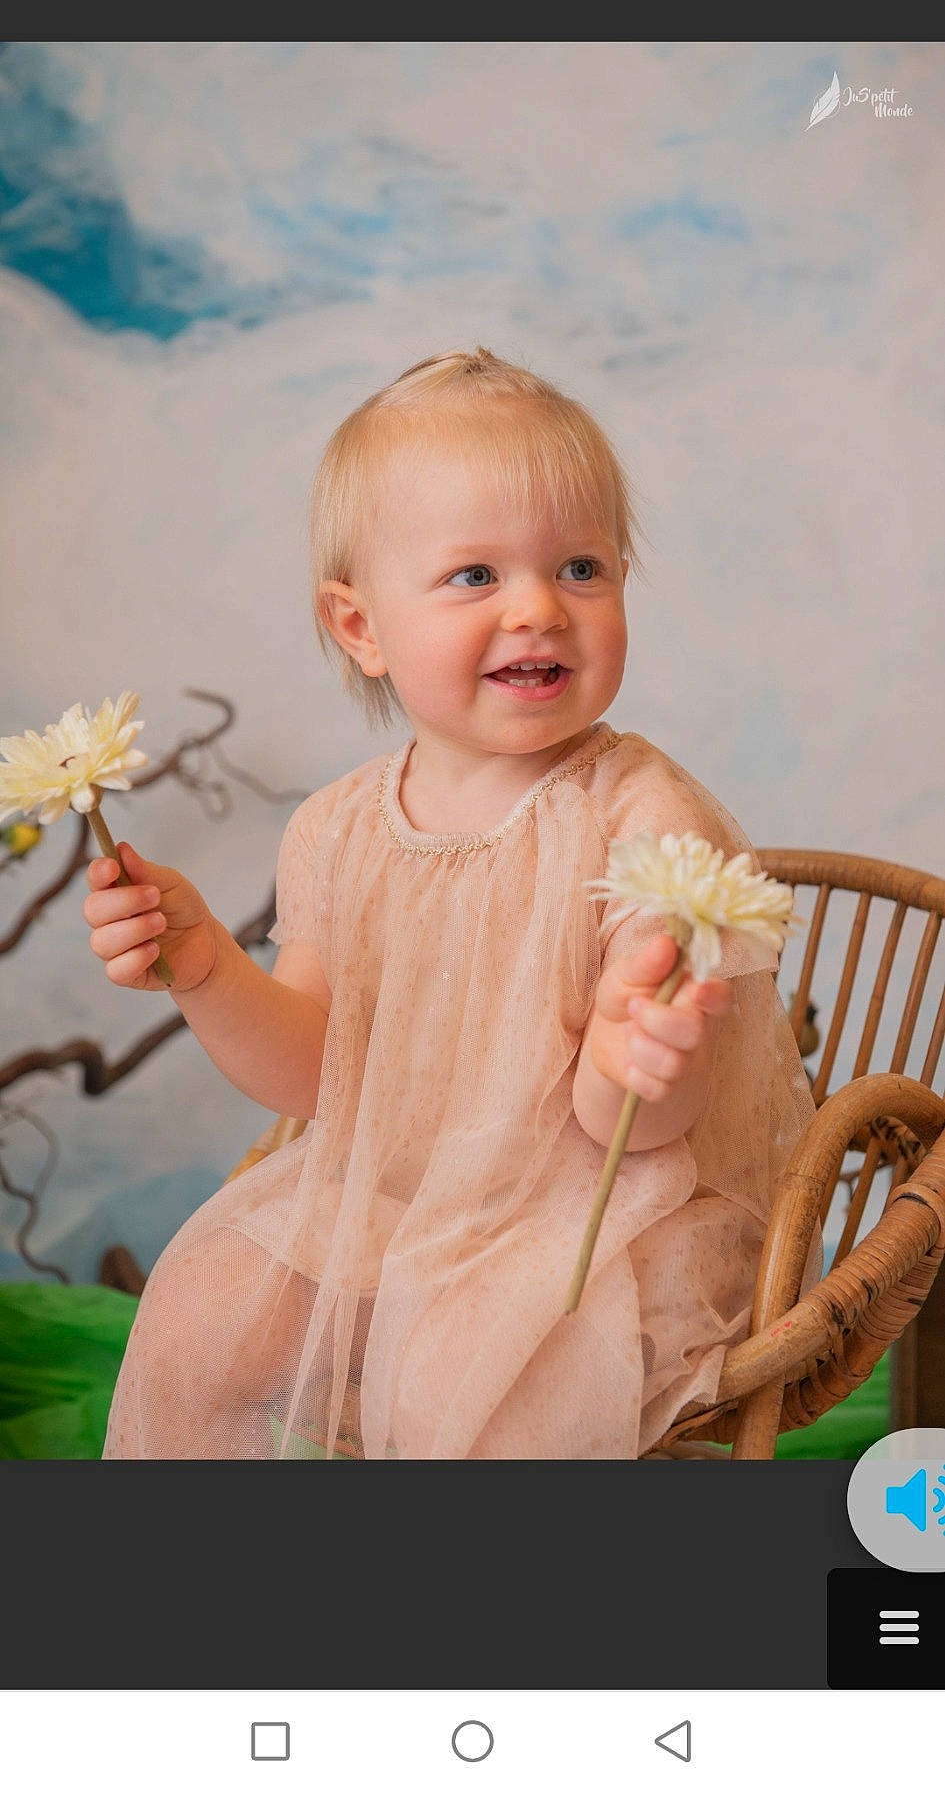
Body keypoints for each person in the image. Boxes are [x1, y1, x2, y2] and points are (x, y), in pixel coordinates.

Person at [87, 347, 818, 1460]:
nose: (538, 607)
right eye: (476, 575)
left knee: (450, 1388)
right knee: (200, 1312)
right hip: (406, 1202)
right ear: (362, 626)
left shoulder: (645, 817)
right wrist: (203, 967)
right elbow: (315, 1071)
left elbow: (639, 1131)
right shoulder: (336, 829)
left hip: (607, 1221)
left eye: (580, 567)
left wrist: (636, 1057)